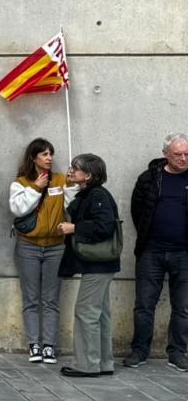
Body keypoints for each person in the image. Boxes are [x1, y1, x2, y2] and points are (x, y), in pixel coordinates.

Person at [126, 133, 188, 372]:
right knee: (144, 304)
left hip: (184, 253)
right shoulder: (149, 178)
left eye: (186, 154)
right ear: (165, 155)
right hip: (151, 251)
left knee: (182, 306)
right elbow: (137, 210)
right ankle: (139, 350)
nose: (183, 159)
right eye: (178, 154)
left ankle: (177, 353)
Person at [57, 154, 120, 378]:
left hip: (98, 264)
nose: (71, 170)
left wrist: (74, 228)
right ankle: (103, 362)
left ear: (90, 175)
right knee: (99, 314)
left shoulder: (97, 195)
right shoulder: (89, 194)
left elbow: (104, 227)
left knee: (86, 312)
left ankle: (87, 364)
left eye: (76, 168)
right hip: (99, 264)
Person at [8, 138, 70, 364]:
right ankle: (34, 344)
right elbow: (17, 208)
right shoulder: (21, 182)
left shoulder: (62, 180)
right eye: (44, 154)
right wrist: (36, 188)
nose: (49, 158)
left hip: (56, 246)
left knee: (51, 300)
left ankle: (49, 346)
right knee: (31, 299)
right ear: (33, 157)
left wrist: (72, 188)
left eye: (51, 154)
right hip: (28, 246)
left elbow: (71, 208)